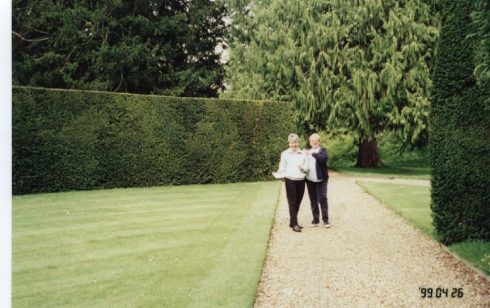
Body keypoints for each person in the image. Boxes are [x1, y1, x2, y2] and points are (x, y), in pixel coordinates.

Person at [276, 133, 308, 232]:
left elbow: (307, 167)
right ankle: (295, 224)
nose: (294, 144)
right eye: (292, 142)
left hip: (301, 180)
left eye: (296, 142)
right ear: (289, 143)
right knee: (292, 201)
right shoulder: (285, 154)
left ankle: (292, 221)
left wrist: (304, 168)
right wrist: (280, 173)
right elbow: (282, 166)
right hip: (290, 180)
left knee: (298, 201)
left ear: (298, 143)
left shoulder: (303, 153)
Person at [304, 133, 330, 228]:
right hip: (310, 180)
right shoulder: (307, 152)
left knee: (322, 199)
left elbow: (323, 159)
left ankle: (326, 220)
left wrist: (313, 154)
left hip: (321, 179)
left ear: (319, 142)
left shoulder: (323, 150)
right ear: (310, 142)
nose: (314, 142)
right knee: (313, 200)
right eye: (312, 141)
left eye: (316, 140)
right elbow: (304, 163)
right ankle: (315, 220)